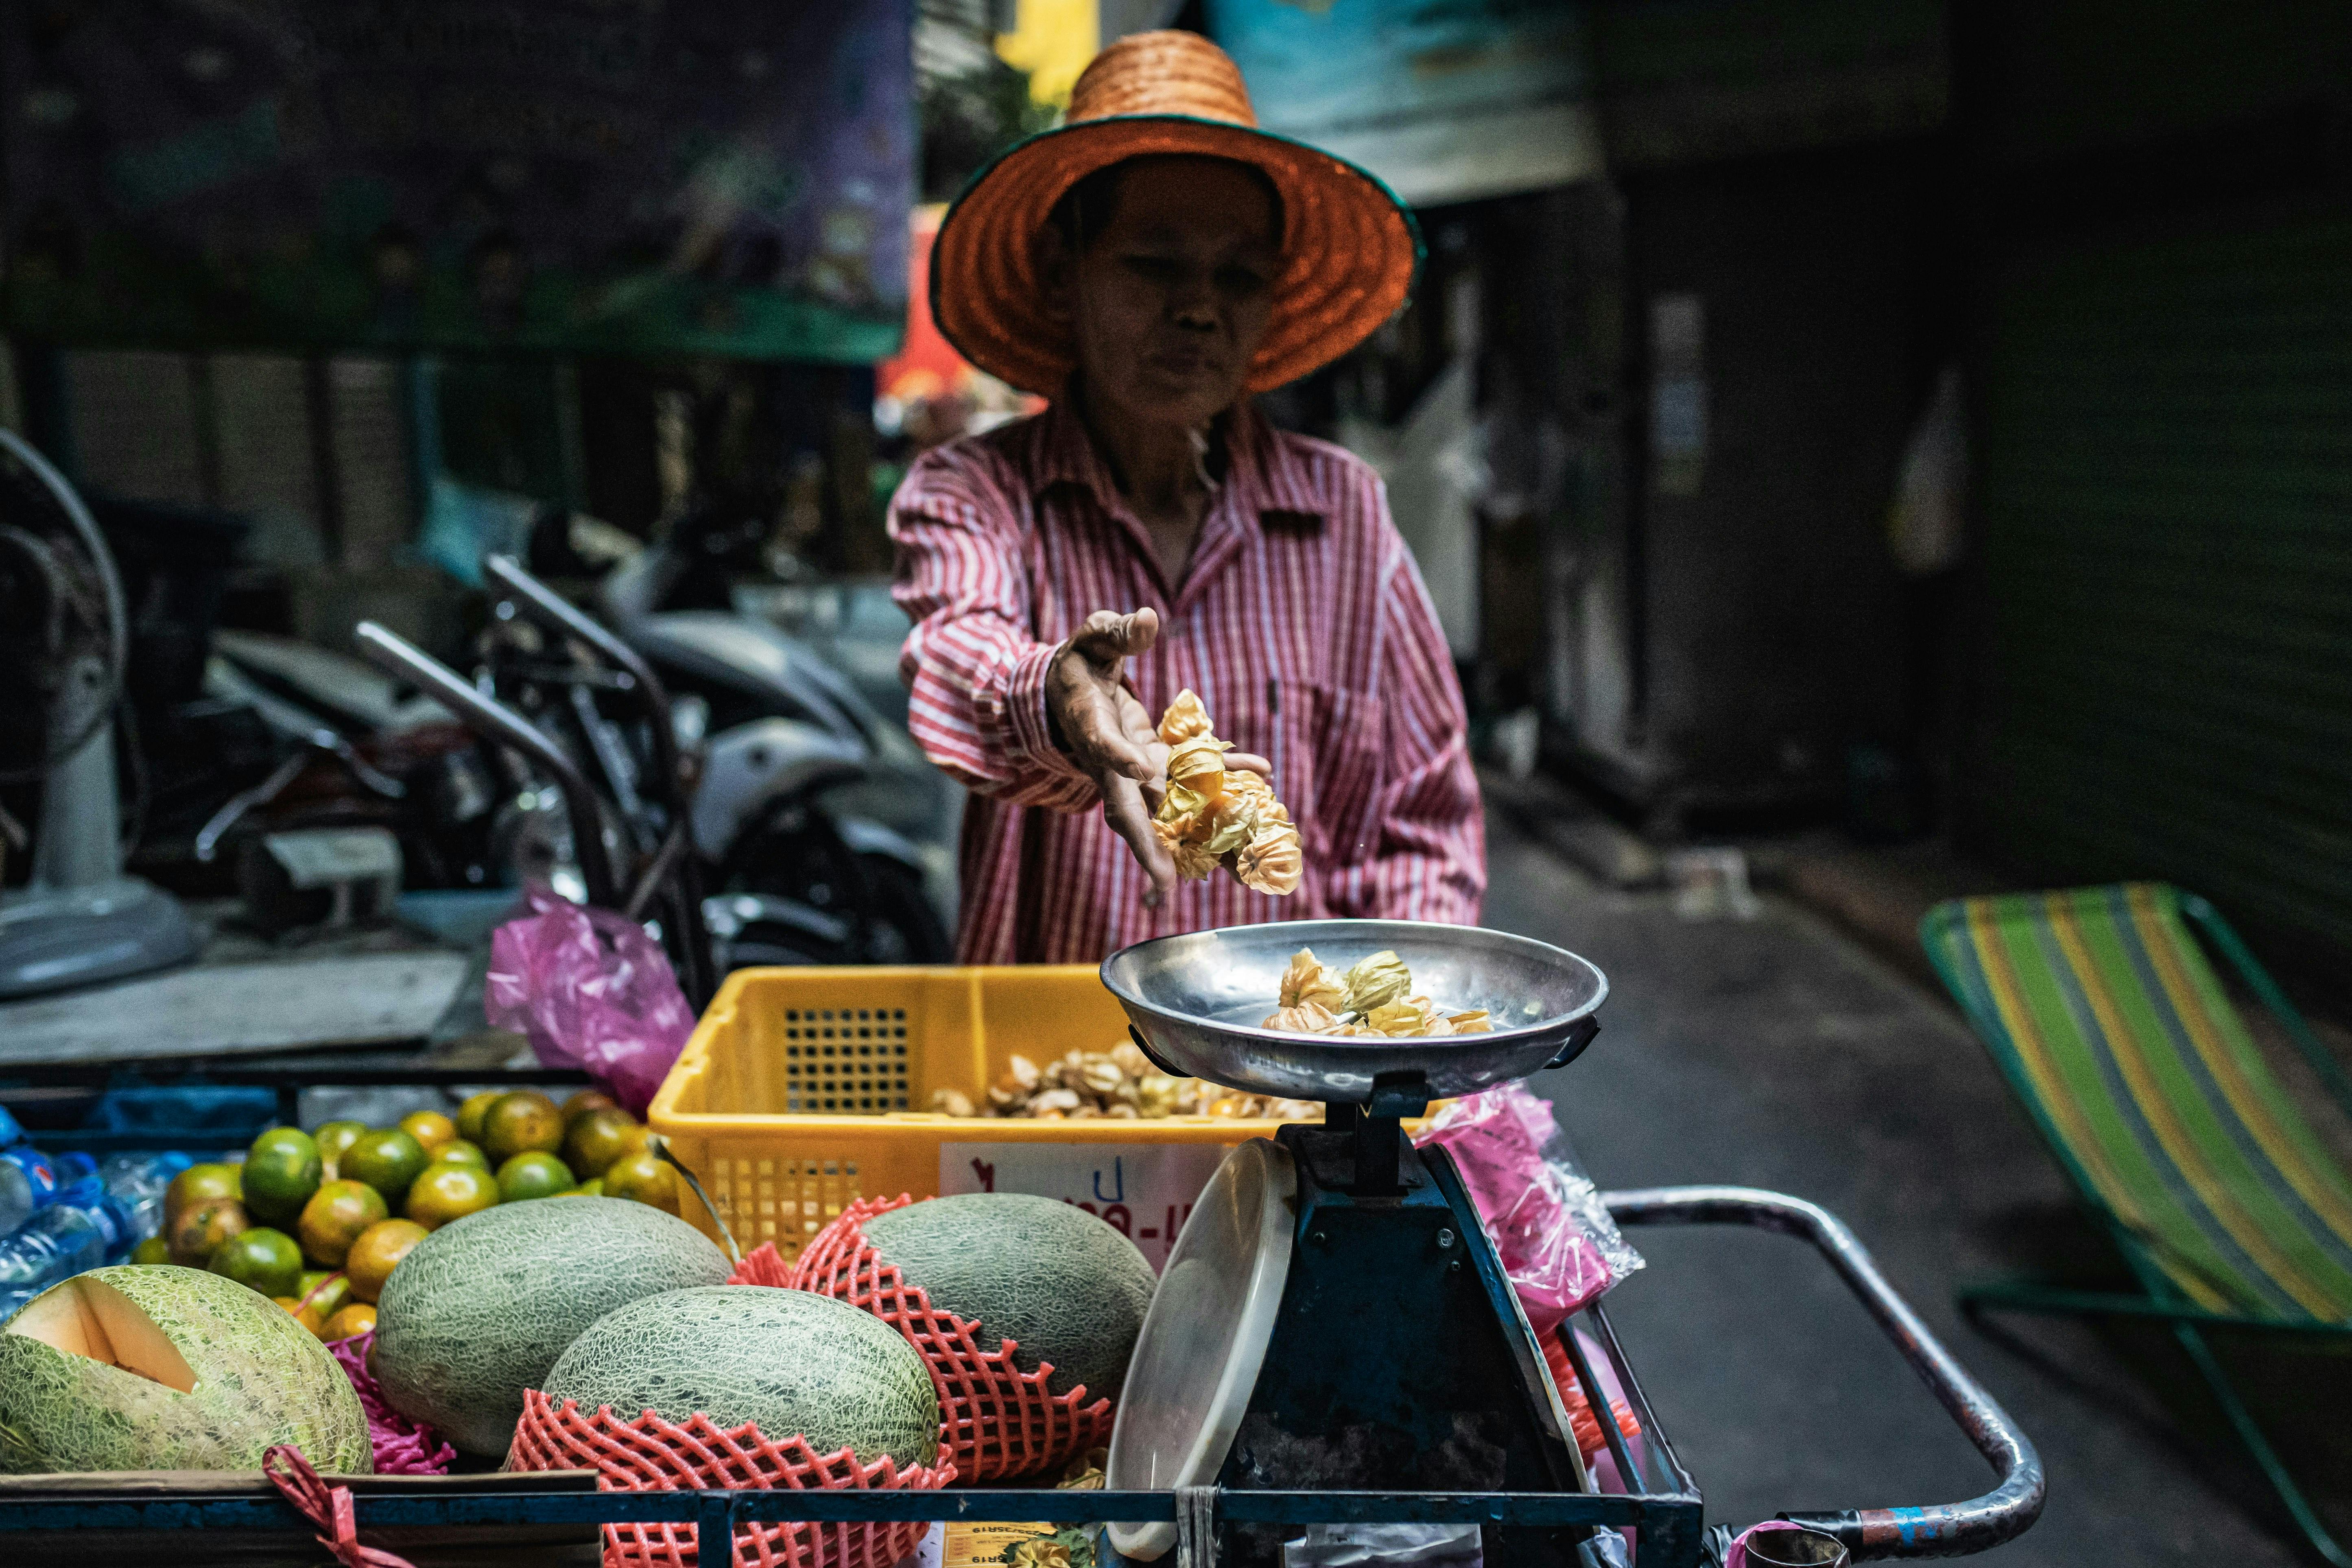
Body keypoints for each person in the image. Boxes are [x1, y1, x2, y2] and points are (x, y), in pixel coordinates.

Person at [891, 31, 1483, 964]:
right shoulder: (976, 493)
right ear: (1063, 273)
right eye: (1154, 264)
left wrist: (1384, 1023)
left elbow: (1424, 825)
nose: (1200, 308)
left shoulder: (1345, 513)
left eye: (1238, 276)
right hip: (1057, 1046)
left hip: (1292, 1050)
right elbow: (959, 652)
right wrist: (1061, 699)